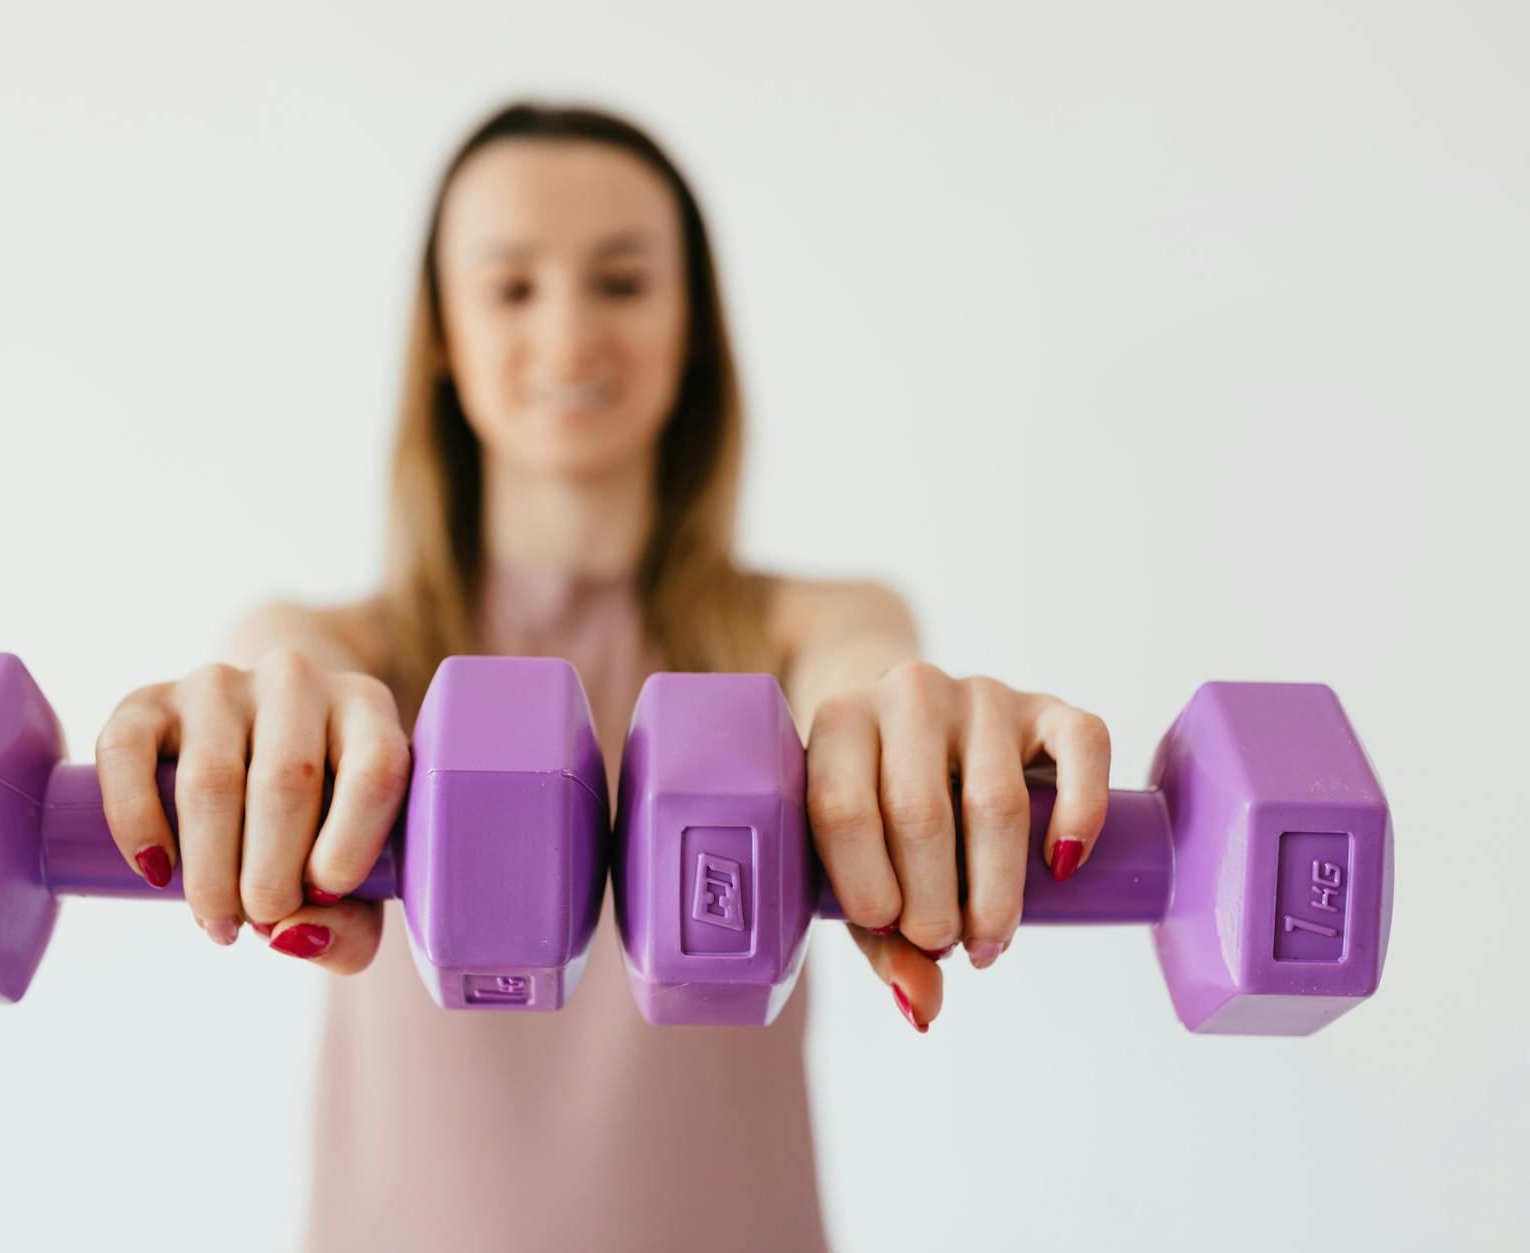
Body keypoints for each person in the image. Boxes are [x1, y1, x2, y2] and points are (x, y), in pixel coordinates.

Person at [94, 102, 1112, 1252]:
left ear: (689, 328)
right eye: (512, 286)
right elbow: (286, 675)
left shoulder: (814, 628)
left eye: (622, 282)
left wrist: (899, 735)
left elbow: (861, 687)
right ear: (443, 335)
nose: (571, 333)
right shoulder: (342, 651)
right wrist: (261, 723)